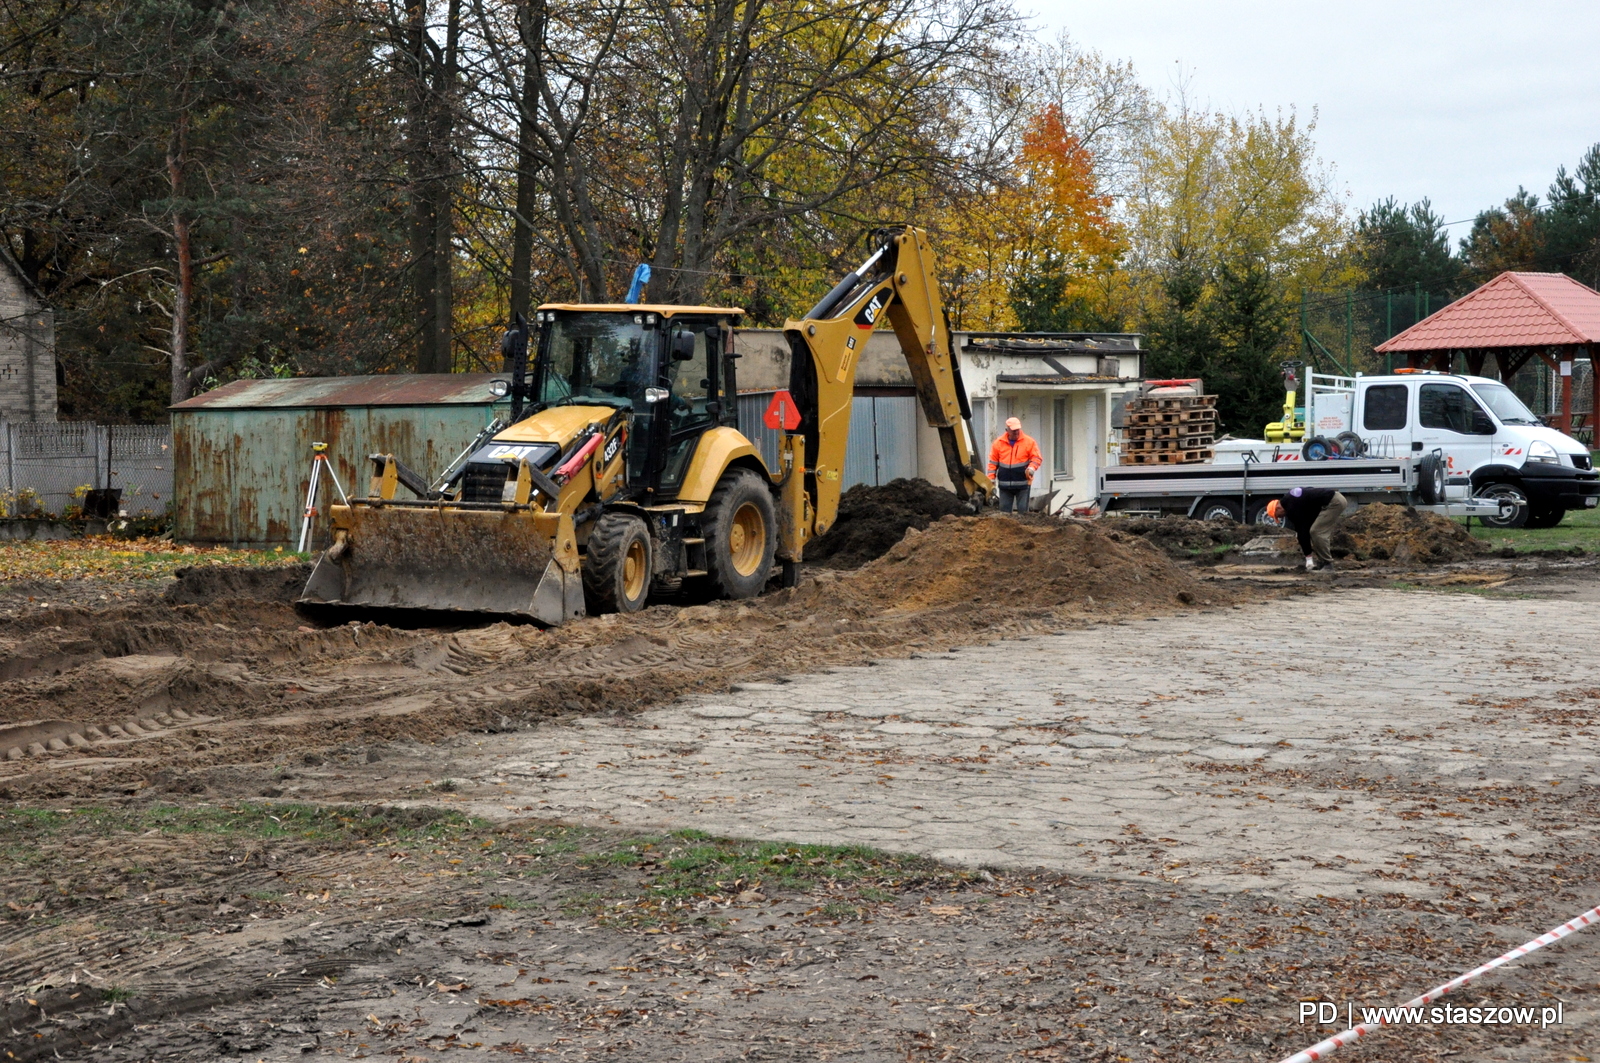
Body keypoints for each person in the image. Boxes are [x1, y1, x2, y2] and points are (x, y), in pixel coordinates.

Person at [1271, 488, 1348, 571]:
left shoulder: (1291, 508)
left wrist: (1308, 558)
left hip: (1334, 503)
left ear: (1278, 508)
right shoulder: (1291, 499)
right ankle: (1322, 563)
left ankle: (1327, 564)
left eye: (1277, 515)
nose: (1280, 517)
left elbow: (1302, 531)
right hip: (1334, 499)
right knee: (1314, 531)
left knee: (1317, 532)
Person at [987, 416, 1043, 514]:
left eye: (1018, 429)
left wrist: (1031, 468)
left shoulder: (1029, 442)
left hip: (1022, 485)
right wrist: (991, 480)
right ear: (1007, 430)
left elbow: (1036, 458)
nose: (1016, 432)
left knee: (1023, 514)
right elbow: (993, 463)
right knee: (1004, 515)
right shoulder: (998, 443)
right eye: (1013, 430)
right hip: (1005, 485)